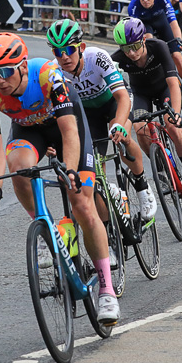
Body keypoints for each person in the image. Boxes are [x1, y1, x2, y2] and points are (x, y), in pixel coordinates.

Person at [0, 34, 120, 325]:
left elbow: (69, 133)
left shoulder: (48, 76)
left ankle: (106, 289)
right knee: (17, 166)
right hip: (30, 132)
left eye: (5, 72)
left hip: (67, 127)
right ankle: (46, 228)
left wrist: (69, 170)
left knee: (82, 204)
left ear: (23, 67)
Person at [46, 20, 157, 221]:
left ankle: (142, 187)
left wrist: (118, 125)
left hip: (114, 102)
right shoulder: (54, 72)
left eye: (69, 49)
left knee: (122, 136)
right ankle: (109, 226)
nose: (64, 56)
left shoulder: (96, 57)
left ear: (81, 47)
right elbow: (54, 112)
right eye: (57, 51)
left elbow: (123, 97)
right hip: (89, 113)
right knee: (95, 169)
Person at [111, 18, 182, 202]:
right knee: (140, 128)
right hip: (141, 94)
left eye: (135, 46)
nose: (131, 52)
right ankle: (161, 172)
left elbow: (173, 83)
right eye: (126, 48)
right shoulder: (118, 58)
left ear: (143, 40)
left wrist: (176, 113)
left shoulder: (158, 46)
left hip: (165, 89)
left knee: (173, 127)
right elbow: (120, 92)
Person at [126, 0, 182, 77]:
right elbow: (135, 33)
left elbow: (173, 23)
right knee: (149, 41)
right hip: (145, 25)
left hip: (161, 22)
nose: (145, 0)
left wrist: (179, 39)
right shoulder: (133, 6)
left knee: (177, 56)